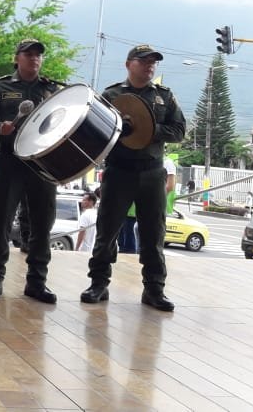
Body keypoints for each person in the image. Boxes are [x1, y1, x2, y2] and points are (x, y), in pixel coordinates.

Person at [81, 44, 186, 312]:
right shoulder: (112, 94)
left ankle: (154, 289)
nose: (150, 66)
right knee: (107, 231)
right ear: (129, 64)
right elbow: (96, 131)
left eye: (154, 62)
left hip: (152, 172)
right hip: (119, 172)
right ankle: (98, 284)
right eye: (144, 61)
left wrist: (149, 129)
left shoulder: (165, 96)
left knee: (153, 234)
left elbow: (179, 131)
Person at [0, 38, 62, 304]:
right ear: (17, 58)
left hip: (42, 165)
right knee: (1, 222)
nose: (34, 59)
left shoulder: (52, 89)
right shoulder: (1, 87)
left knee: (41, 226)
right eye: (28, 54)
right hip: (10, 163)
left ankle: (37, 282)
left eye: (38, 55)